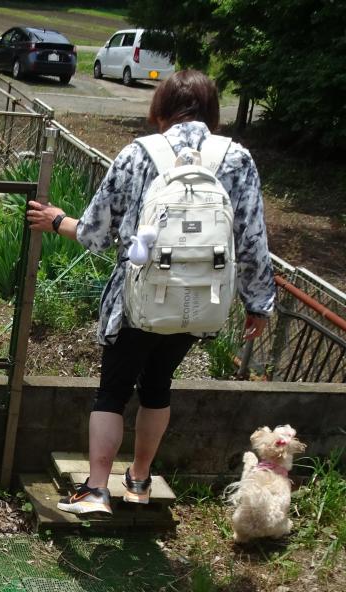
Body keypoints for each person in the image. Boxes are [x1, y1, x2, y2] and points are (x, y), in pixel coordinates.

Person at [26, 69, 276, 515]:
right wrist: (257, 303)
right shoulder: (237, 159)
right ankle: (139, 481)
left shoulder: (139, 154)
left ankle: (96, 489)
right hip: (198, 301)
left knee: (113, 391)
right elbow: (252, 239)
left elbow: (96, 232)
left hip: (137, 300)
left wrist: (57, 220)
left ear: (160, 109)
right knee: (159, 386)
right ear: (212, 112)